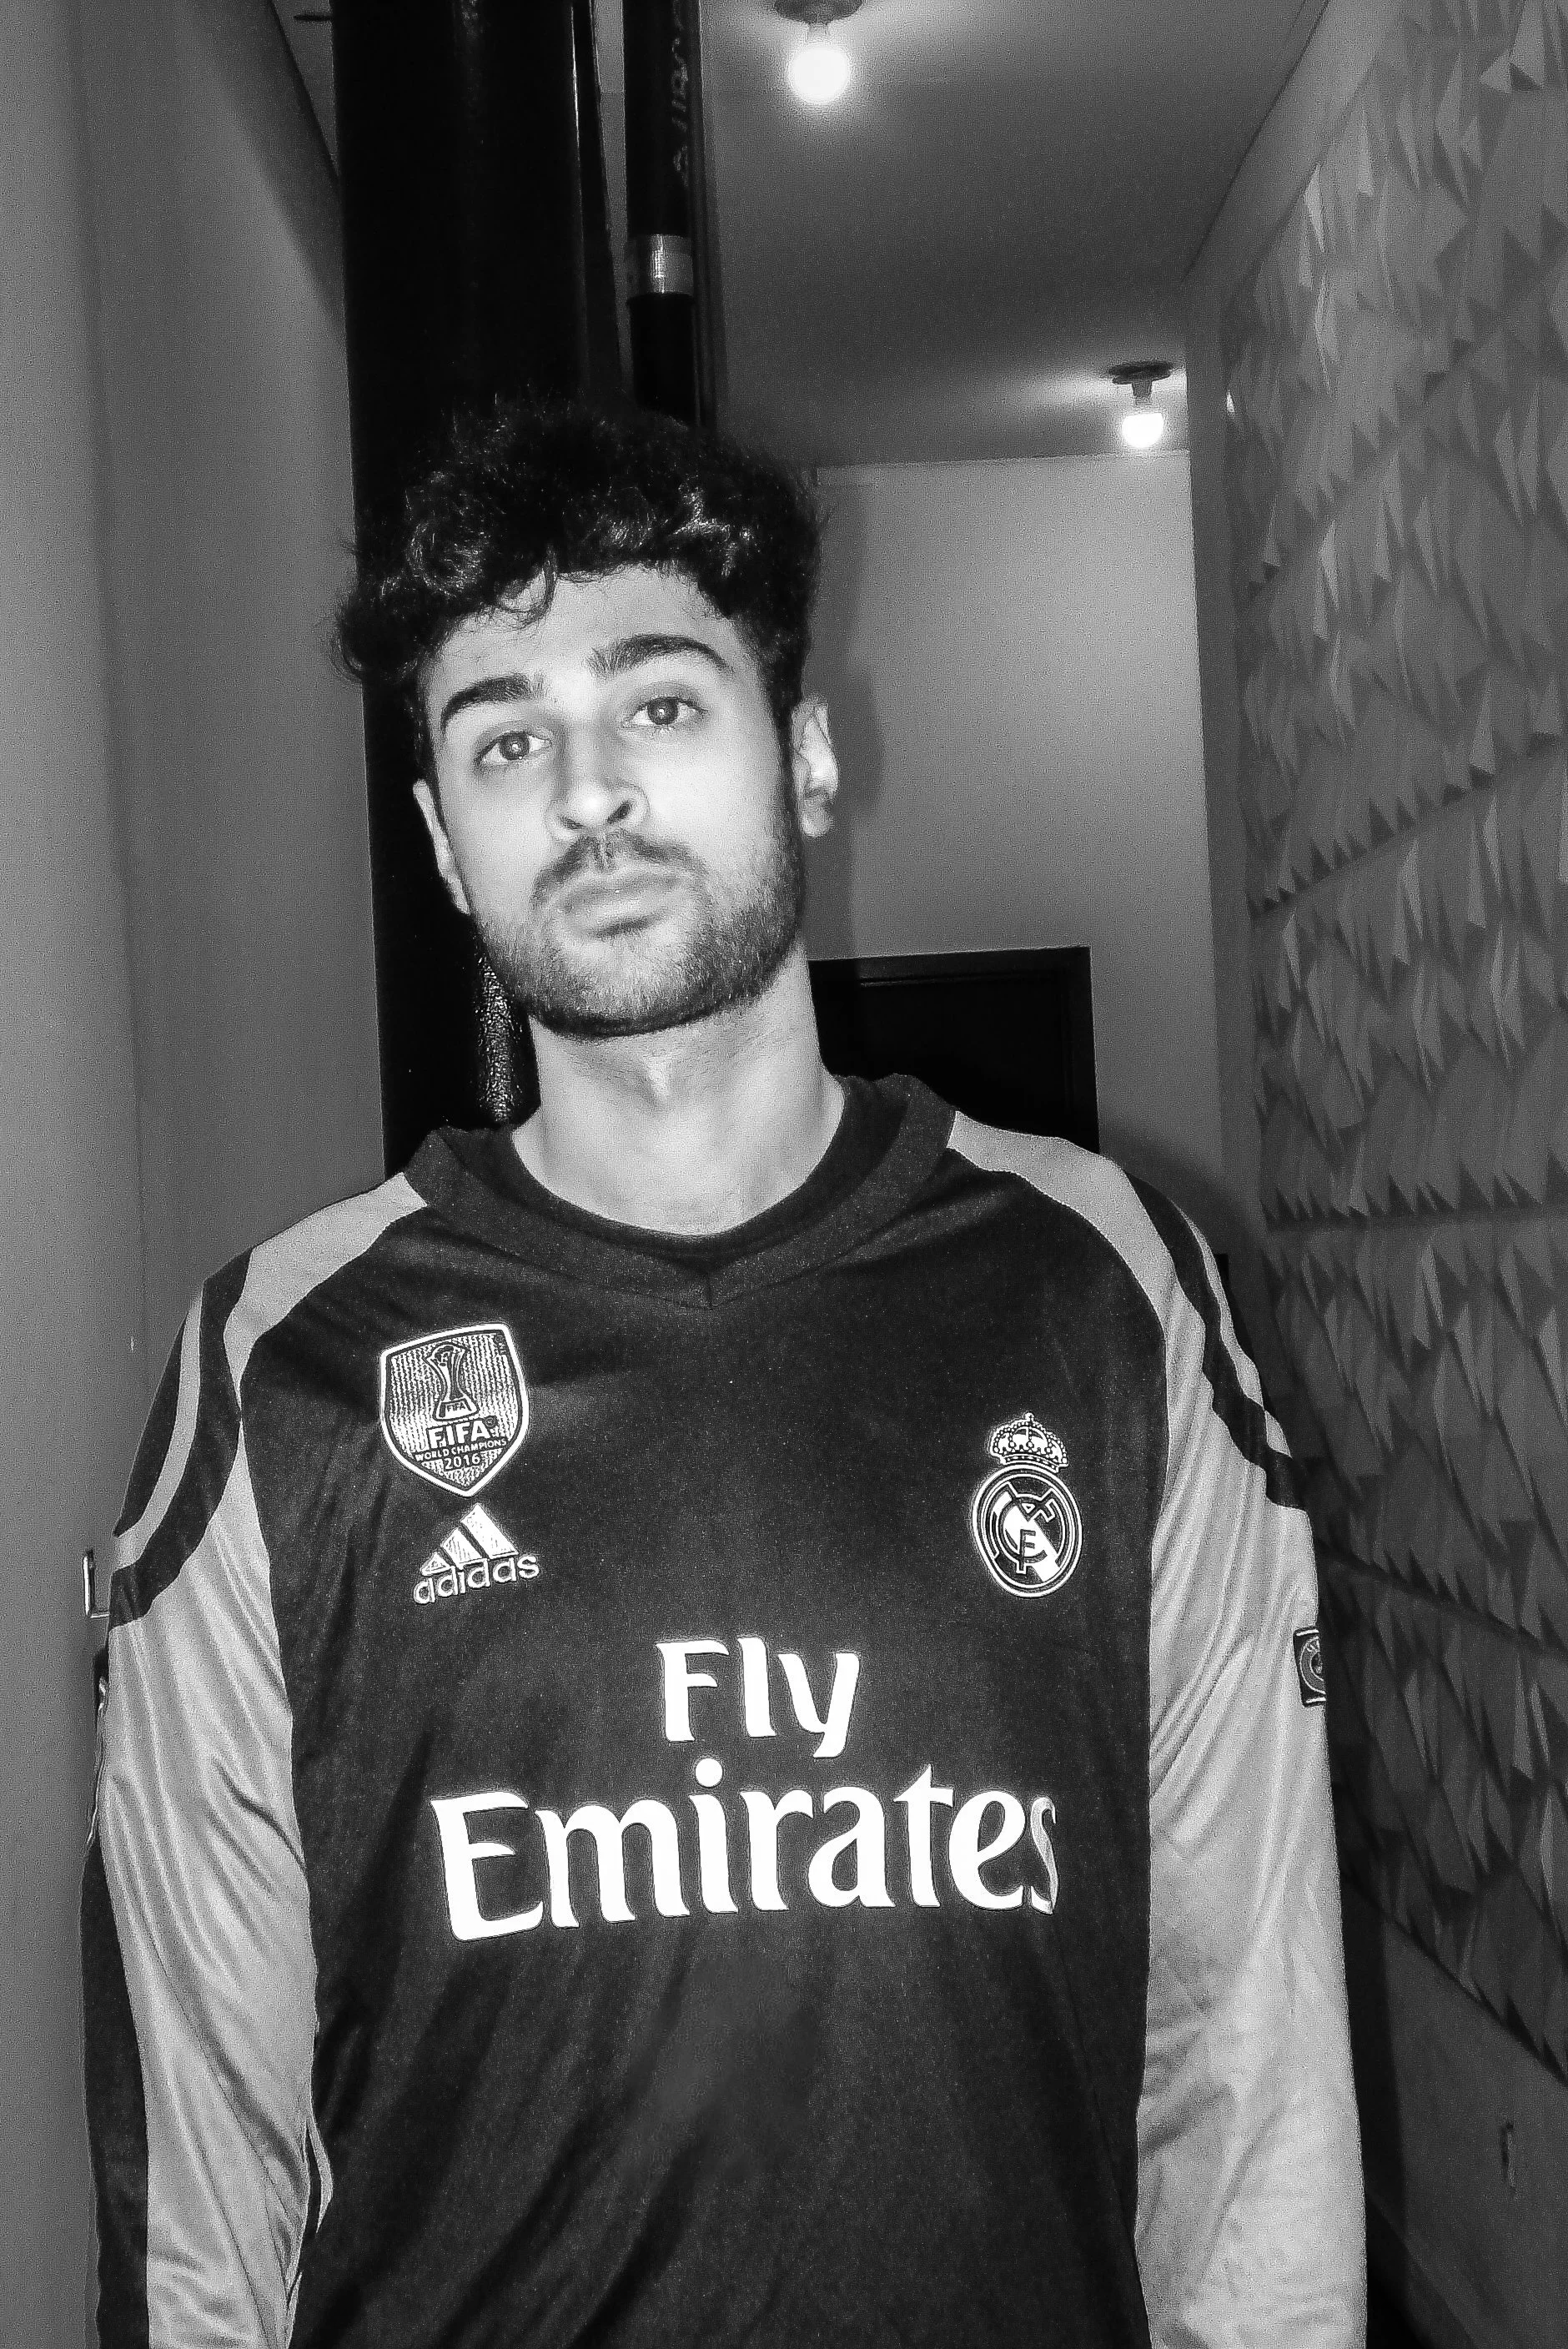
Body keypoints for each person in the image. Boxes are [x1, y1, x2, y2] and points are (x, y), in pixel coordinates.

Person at [83, 401, 1364, 2346]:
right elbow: (205, 2164)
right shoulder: (285, 1374)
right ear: (442, 840)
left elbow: (1246, 2064)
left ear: (811, 754)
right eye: (504, 740)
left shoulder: (1103, 1291)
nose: (586, 790)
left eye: (660, 706)